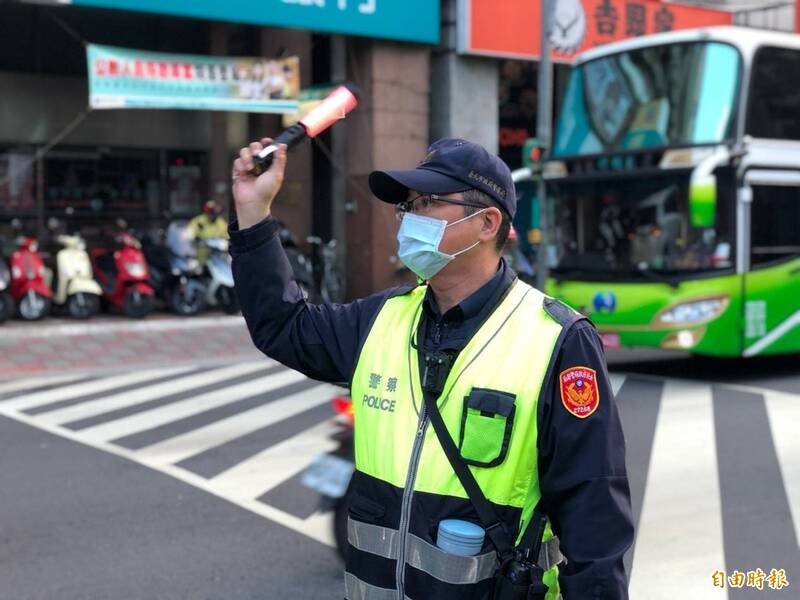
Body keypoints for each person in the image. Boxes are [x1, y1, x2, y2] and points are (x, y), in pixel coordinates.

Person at [229, 137, 633, 599]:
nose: (408, 217)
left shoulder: (557, 339)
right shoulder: (382, 317)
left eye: (428, 203)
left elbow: (594, 520)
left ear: (486, 223)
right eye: (408, 205)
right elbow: (284, 327)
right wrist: (253, 214)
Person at [188, 200, 228, 266]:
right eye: (211, 211)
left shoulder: (220, 222)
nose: (213, 214)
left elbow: (227, 235)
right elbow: (190, 235)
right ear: (206, 211)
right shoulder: (198, 221)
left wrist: (227, 241)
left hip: (217, 256)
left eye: (215, 212)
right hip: (200, 256)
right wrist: (197, 239)